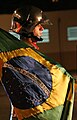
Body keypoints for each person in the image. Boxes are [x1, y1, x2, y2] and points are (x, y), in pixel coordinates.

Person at [0, 5, 75, 120]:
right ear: (29, 27)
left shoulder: (25, 54)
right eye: (38, 25)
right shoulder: (21, 56)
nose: (42, 29)